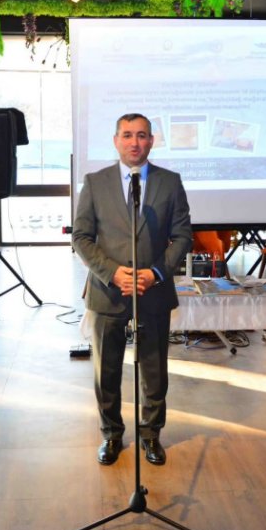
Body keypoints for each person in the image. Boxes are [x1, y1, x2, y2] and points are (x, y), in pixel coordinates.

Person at [73, 113, 193, 466]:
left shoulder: (170, 183)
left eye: (141, 135)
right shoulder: (95, 183)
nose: (134, 142)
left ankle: (151, 434)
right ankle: (111, 435)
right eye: (127, 135)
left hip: (152, 290)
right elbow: (81, 237)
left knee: (154, 369)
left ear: (151, 141)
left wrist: (155, 273)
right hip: (108, 291)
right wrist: (113, 273)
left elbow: (182, 237)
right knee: (106, 370)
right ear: (116, 141)